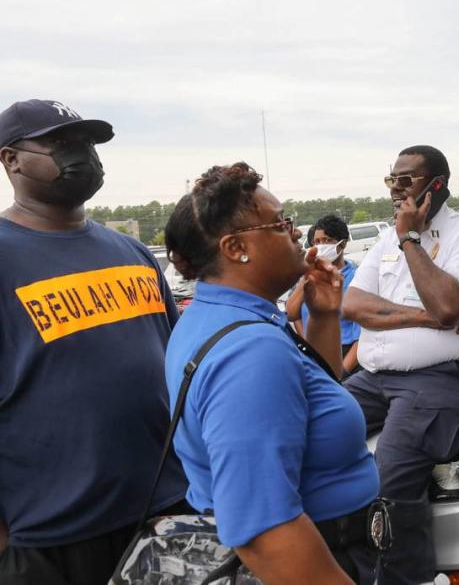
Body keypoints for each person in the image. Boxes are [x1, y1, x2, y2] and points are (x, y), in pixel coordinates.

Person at [163, 162, 380, 584]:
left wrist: (324, 314)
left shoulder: (222, 314)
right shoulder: (250, 350)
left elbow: (310, 396)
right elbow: (265, 531)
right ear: (236, 247)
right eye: (281, 225)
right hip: (316, 556)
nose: (297, 233)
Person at [0, 99, 187, 585]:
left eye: (86, 143)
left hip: (164, 511)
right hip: (50, 535)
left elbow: (172, 364)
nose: (81, 155)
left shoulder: (131, 251)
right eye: (60, 143)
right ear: (10, 159)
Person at [343, 145, 459, 584]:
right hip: (373, 378)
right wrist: (422, 316)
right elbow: (353, 304)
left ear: (437, 184)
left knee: (388, 480)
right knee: (313, 432)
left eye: (406, 179)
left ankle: (404, 579)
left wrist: (411, 239)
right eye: (391, 178)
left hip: (440, 381)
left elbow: (450, 305)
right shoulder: (384, 239)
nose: (395, 188)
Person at [286, 214, 362, 377]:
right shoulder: (309, 277)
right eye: (316, 242)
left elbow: (362, 338)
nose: (320, 246)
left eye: (326, 240)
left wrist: (340, 374)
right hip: (314, 354)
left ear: (343, 243)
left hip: (343, 355)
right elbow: (292, 313)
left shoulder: (356, 279)